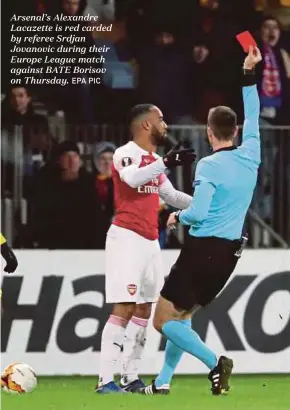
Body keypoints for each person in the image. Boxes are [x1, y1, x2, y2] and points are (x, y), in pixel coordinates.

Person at [139, 46, 262, 396]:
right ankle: (162, 383)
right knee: (183, 316)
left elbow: (200, 213)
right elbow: (253, 113)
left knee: (162, 321)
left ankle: (214, 363)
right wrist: (247, 74)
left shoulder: (208, 166)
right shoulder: (251, 153)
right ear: (236, 131)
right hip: (229, 256)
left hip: (201, 252)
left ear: (209, 133)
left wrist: (178, 215)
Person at [96, 104, 196, 394]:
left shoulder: (153, 160)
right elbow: (131, 179)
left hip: (151, 241)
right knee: (124, 306)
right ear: (146, 125)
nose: (166, 125)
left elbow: (171, 195)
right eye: (161, 120)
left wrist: (208, 205)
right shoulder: (125, 153)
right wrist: (165, 162)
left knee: (145, 308)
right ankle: (105, 380)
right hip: (126, 238)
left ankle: (130, 377)